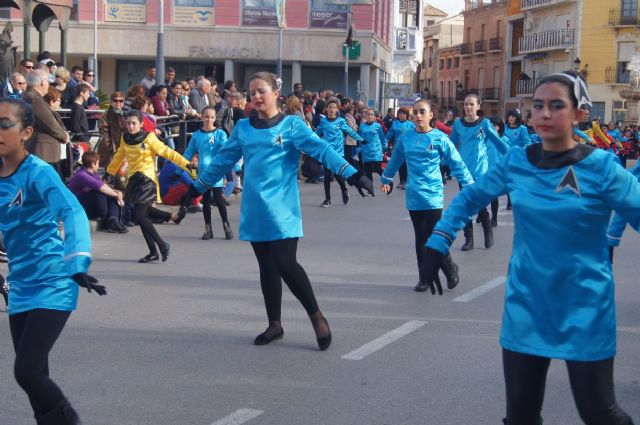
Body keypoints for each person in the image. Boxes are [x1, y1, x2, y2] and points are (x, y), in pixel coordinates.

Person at [421, 71, 638, 425]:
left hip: (585, 308)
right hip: (526, 306)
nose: (545, 114)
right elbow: (470, 198)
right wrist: (438, 242)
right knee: (520, 417)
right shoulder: (517, 162)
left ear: (579, 114)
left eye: (557, 106)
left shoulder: (602, 168)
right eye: (538, 106)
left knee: (600, 414)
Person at [185, 72, 374, 350]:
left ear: (276, 93)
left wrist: (354, 174)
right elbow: (224, 159)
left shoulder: (292, 125)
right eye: (252, 93)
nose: (256, 97)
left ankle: (316, 316)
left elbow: (321, 149)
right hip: (255, 207)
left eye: (261, 91)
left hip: (283, 207)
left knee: (286, 263)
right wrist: (197, 187)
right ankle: (275, 324)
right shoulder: (243, 128)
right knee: (266, 266)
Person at [0, 98, 106, 424]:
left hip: (54, 280)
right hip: (20, 284)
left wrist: (77, 261)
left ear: (26, 132)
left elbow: (71, 211)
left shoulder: (38, 173)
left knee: (27, 371)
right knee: (36, 378)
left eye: (5, 125)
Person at [381, 98, 473, 292]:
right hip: (414, 195)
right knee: (420, 238)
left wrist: (469, 184)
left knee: (434, 237)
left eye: (422, 112)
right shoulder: (406, 137)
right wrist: (386, 179)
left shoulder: (440, 138)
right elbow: (396, 160)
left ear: (431, 115)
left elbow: (457, 163)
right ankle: (424, 277)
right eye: (416, 112)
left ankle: (449, 267)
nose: (418, 116)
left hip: (433, 195)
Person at [106, 109, 193, 263]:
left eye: (134, 123)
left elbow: (168, 152)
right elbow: (120, 155)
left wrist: (187, 164)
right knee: (141, 215)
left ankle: (162, 245)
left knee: (139, 216)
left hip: (147, 180)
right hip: (134, 180)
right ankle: (154, 252)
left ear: (141, 124)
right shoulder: (125, 138)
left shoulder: (149, 138)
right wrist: (110, 172)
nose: (131, 126)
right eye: (129, 123)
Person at [448, 94, 509, 250]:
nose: (468, 107)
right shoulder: (458, 124)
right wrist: (441, 161)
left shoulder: (485, 124)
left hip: (480, 169)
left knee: (479, 203)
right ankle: (469, 239)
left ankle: (487, 230)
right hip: (464, 171)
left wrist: (513, 156)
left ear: (478, 106)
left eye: (472, 104)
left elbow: (499, 142)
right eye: (466, 104)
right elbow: (450, 145)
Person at [181, 106, 233, 240]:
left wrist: (228, 174)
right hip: (203, 173)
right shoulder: (197, 135)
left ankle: (226, 226)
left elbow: (225, 153)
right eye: (206, 116)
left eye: (211, 117)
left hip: (215, 172)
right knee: (205, 200)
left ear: (215, 118)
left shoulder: (220, 134)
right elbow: (188, 152)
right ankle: (208, 229)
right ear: (202, 117)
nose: (209, 119)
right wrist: (179, 168)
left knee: (218, 199)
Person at [314, 98, 363, 207]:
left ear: (337, 110)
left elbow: (350, 131)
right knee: (327, 175)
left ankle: (344, 189)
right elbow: (317, 133)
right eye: (330, 107)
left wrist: (360, 139)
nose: (331, 109)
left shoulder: (341, 121)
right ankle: (327, 199)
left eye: (334, 107)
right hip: (327, 152)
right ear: (326, 109)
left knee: (337, 175)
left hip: (338, 153)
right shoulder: (323, 121)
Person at [21, 69, 70, 179]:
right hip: (43, 152)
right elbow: (49, 123)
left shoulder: (33, 97)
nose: (49, 84)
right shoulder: (34, 98)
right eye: (48, 81)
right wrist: (63, 135)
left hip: (44, 152)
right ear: (42, 82)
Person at [67, 150, 127, 233]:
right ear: (93, 164)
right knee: (100, 191)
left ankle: (113, 220)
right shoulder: (82, 175)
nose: (99, 165)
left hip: (89, 204)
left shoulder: (94, 174)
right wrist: (118, 196)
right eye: (98, 163)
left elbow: (104, 185)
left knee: (110, 193)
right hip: (80, 207)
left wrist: (116, 192)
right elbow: (99, 186)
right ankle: (108, 218)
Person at [385, 107, 414, 190]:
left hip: (408, 147)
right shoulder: (395, 123)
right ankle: (402, 181)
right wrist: (385, 141)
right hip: (398, 146)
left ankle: (406, 181)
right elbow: (390, 133)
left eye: (404, 114)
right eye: (400, 113)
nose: (401, 115)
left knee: (405, 164)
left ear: (407, 115)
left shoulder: (410, 125)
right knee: (400, 164)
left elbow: (415, 134)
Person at [358, 107, 388, 189]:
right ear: (365, 116)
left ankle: (387, 180)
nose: (369, 116)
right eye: (368, 114)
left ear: (374, 117)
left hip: (376, 150)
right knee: (367, 171)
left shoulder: (378, 126)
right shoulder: (362, 127)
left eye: (371, 114)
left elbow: (382, 137)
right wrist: (359, 147)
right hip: (366, 151)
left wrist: (385, 146)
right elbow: (359, 138)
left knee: (377, 168)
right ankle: (370, 188)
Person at [98, 91, 127, 167]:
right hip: (111, 147)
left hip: (124, 145)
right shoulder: (106, 114)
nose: (118, 103)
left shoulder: (126, 114)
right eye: (115, 100)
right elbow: (104, 131)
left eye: (121, 101)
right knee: (111, 171)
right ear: (111, 102)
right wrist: (110, 146)